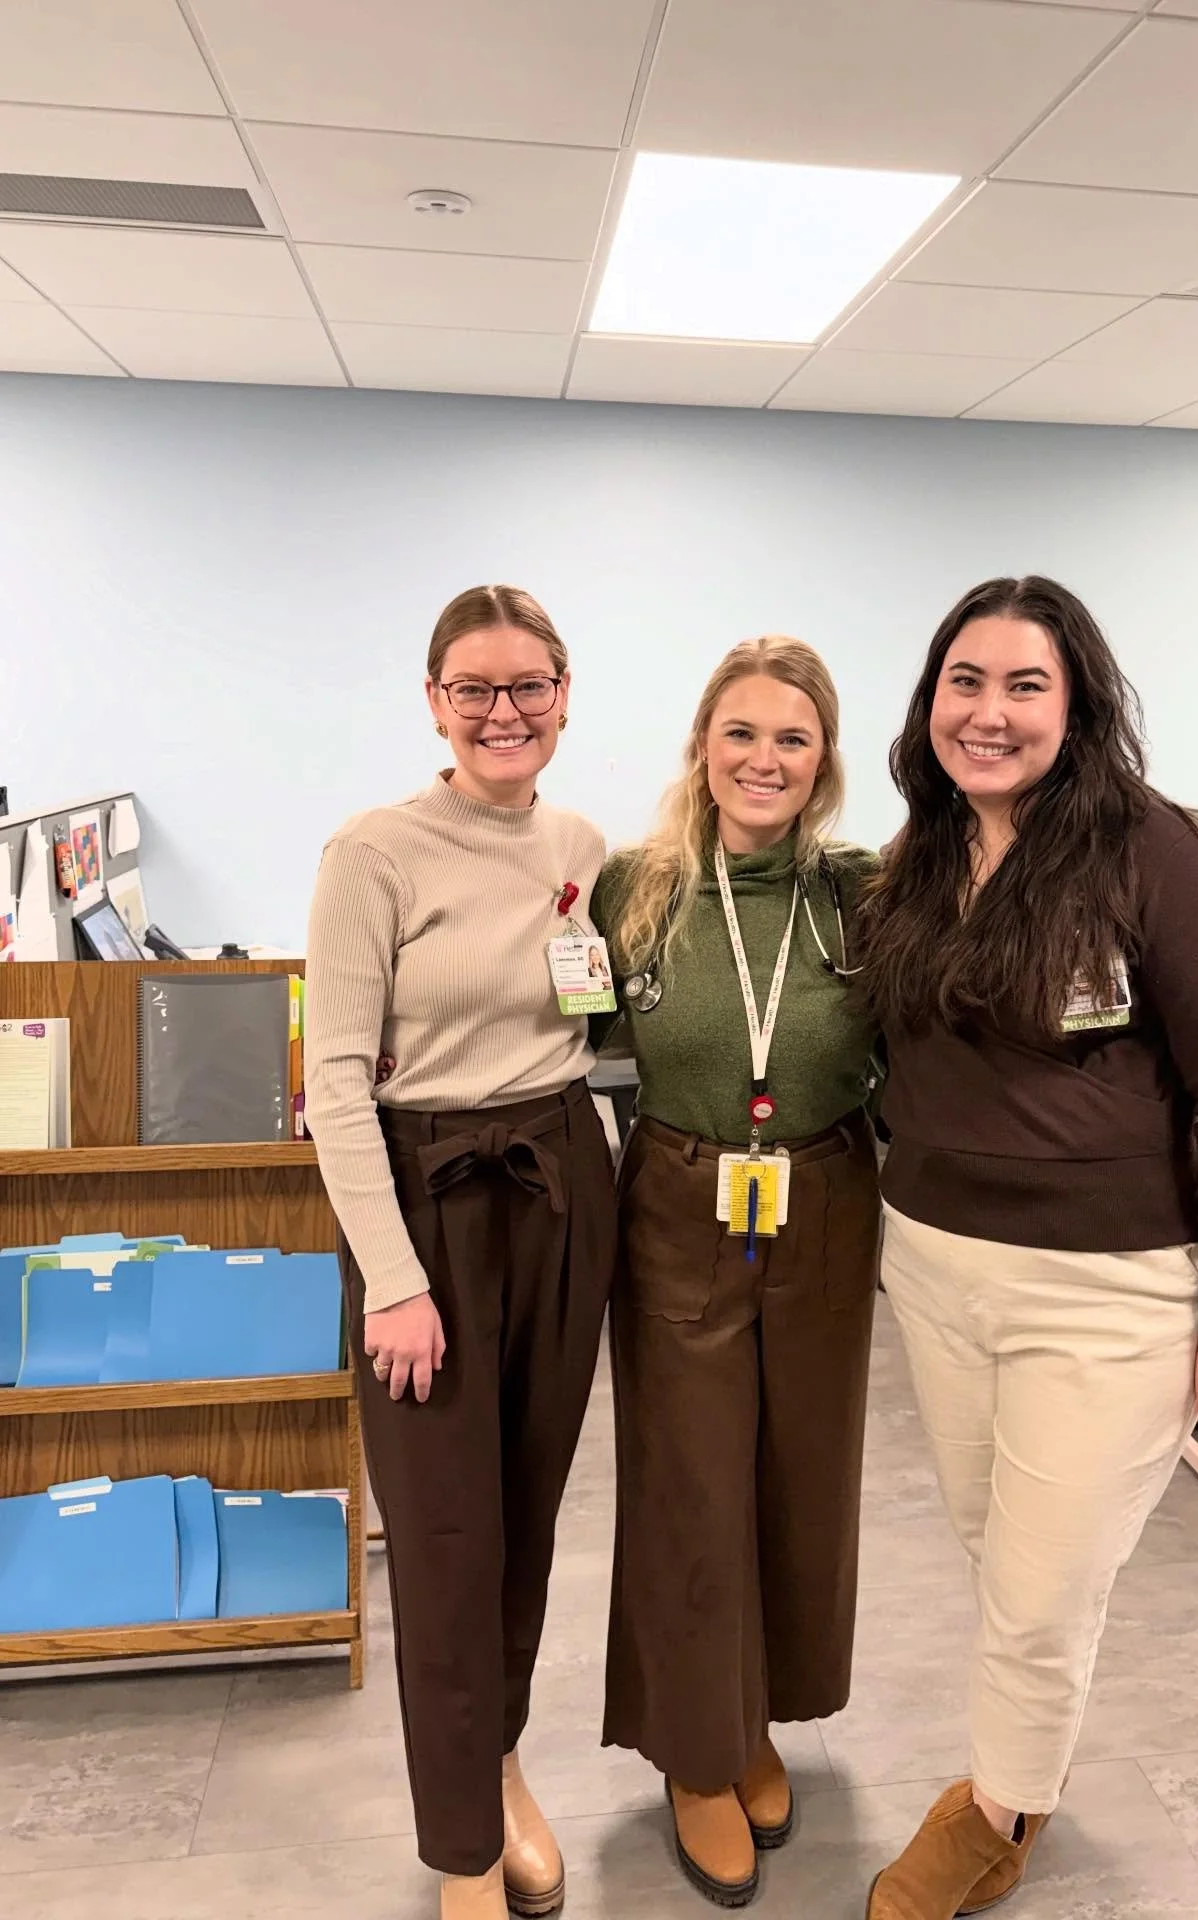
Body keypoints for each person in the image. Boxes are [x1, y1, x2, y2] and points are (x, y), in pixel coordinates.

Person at [857, 577, 1198, 1919]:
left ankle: (995, 1809)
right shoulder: (921, 856)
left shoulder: (1155, 853)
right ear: (932, 700)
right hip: (933, 1269)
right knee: (1003, 1552)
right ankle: (1025, 1763)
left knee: (1044, 1589)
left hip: (1106, 1296)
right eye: (964, 683)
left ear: (1080, 702)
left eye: (1023, 686)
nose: (988, 715)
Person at [304, 585, 617, 1920]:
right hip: (425, 1202)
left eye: (529, 686)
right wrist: (394, 1279)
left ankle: (496, 1766)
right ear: (434, 701)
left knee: (525, 1522)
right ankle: (460, 1855)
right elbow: (331, 1080)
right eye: (475, 688)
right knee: (440, 1538)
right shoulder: (373, 851)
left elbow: (593, 1022)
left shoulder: (582, 844)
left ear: (563, 695)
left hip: (557, 1182)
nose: (505, 711)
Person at [591, 637, 882, 1908]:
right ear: (703, 746)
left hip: (823, 1193)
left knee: (800, 1478)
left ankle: (759, 1719)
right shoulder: (630, 889)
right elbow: (549, 1024)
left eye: (793, 738)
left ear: (823, 762)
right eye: (743, 733)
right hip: (677, 1197)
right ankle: (697, 1758)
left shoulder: (862, 895)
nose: (765, 759)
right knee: (691, 1484)